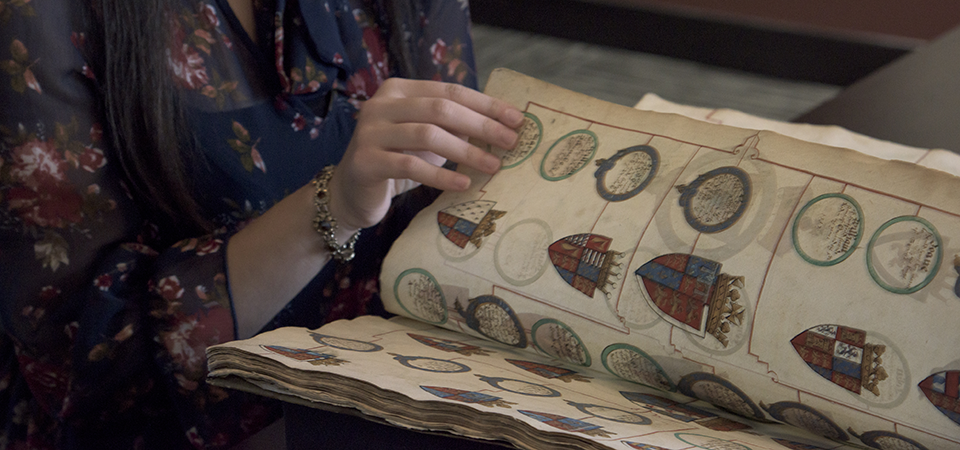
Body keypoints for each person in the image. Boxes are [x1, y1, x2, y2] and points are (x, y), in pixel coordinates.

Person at [0, 0, 522, 448]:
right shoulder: (40, 15)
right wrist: (334, 206)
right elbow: (79, 363)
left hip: (398, 413)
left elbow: (458, 203)